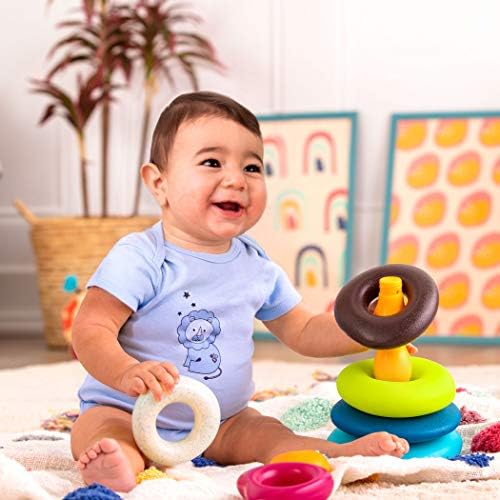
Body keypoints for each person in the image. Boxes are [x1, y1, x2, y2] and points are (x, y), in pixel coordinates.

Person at [71, 91, 410, 492]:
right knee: (100, 430)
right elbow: (91, 329)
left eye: (252, 167)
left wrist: (372, 330)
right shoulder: (141, 256)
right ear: (159, 183)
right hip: (129, 410)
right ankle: (118, 462)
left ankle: (334, 453)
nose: (236, 179)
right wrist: (126, 371)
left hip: (222, 420)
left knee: (267, 432)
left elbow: (304, 331)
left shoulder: (255, 265)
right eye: (212, 162)